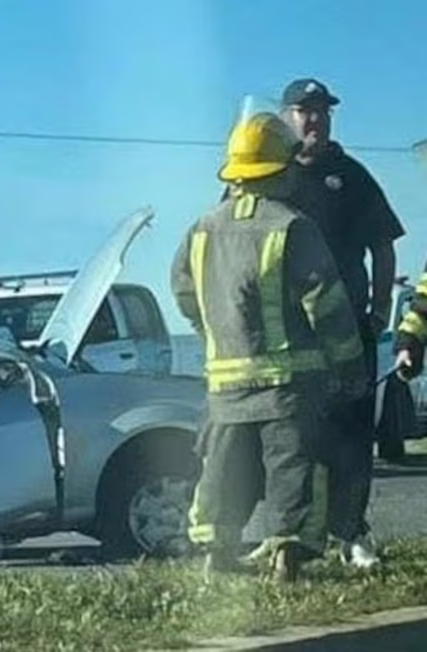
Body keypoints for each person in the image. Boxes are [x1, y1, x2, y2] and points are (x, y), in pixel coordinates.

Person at [171, 105, 369, 581]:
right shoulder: (291, 226)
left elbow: (183, 291)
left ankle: (216, 556)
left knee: (222, 471)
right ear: (282, 169)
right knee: (294, 471)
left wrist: (215, 333)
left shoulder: (201, 230)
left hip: (225, 389)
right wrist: (349, 369)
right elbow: (327, 305)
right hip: (289, 387)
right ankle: (287, 557)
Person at [279, 77, 406, 568]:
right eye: (305, 111)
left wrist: (377, 312)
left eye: (323, 111)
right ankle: (297, 540)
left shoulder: (351, 176)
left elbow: (384, 246)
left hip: (349, 327)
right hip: (290, 334)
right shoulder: (274, 176)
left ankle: (352, 532)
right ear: (287, 117)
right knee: (297, 439)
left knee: (352, 435)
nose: (316, 119)